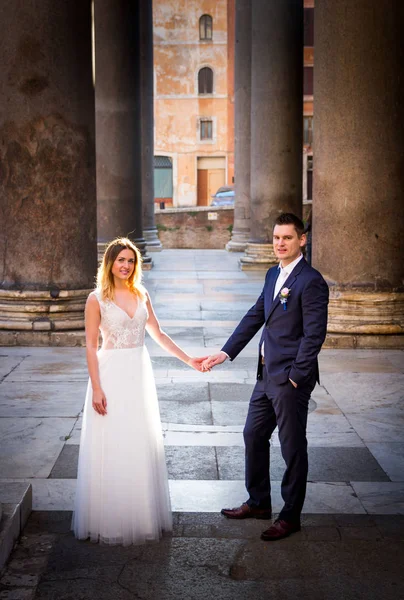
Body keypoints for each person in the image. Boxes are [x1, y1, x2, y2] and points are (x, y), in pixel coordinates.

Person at [72, 238, 208, 545]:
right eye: (120, 260)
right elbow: (91, 347)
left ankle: (139, 512)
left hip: (138, 371)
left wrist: (189, 360)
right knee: (113, 440)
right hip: (110, 374)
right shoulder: (96, 299)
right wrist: (96, 388)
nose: (126, 265)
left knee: (137, 439)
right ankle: (109, 517)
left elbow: (158, 334)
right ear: (109, 263)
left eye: (130, 261)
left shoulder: (141, 293)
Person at [203, 213, 329, 541]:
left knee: (292, 447)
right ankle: (259, 502)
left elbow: (314, 335)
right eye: (276, 238)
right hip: (265, 375)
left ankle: (290, 516)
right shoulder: (273, 273)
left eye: (287, 238)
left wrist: (296, 378)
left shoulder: (311, 280)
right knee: (253, 435)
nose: (280, 243)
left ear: (302, 240)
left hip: (289, 380)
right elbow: (256, 314)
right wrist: (226, 352)